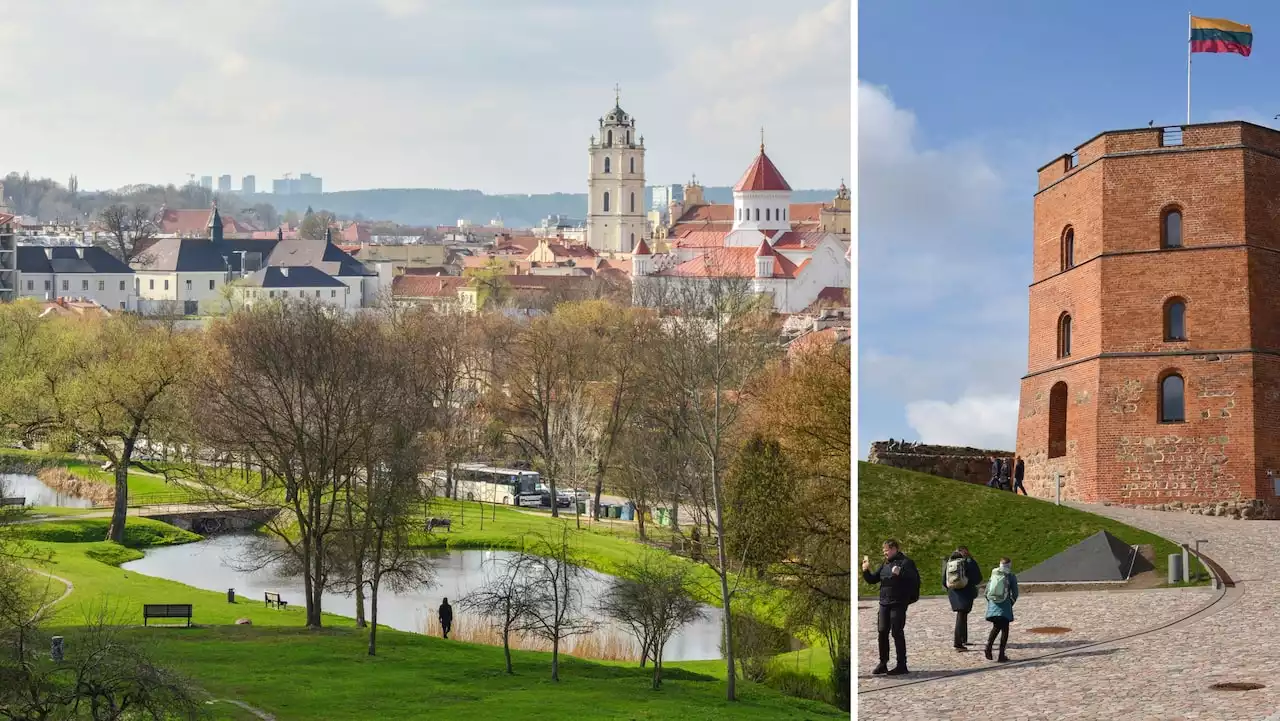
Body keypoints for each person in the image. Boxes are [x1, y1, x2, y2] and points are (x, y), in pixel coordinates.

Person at [862, 539, 920, 676]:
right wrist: (865, 570)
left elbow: (914, 580)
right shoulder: (885, 564)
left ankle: (902, 664)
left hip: (898, 603)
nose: (884, 553)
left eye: (886, 550)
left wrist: (901, 574)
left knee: (897, 632)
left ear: (894, 549)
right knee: (882, 632)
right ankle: (883, 663)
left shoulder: (906, 563)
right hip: (884, 603)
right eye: (884, 550)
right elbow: (872, 580)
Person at [943, 546, 982, 651]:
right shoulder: (968, 562)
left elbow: (944, 581)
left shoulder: (949, 562)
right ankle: (958, 643)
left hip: (953, 593)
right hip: (966, 592)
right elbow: (978, 578)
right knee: (961, 617)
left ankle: (963, 639)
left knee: (962, 616)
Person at [983, 557, 1019, 662]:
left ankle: (988, 647)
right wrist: (1010, 603)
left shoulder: (994, 574)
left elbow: (986, 593)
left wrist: (991, 603)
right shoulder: (1011, 576)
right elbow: (1015, 593)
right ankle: (1001, 654)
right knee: (1004, 630)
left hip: (993, 606)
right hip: (1005, 607)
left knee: (996, 627)